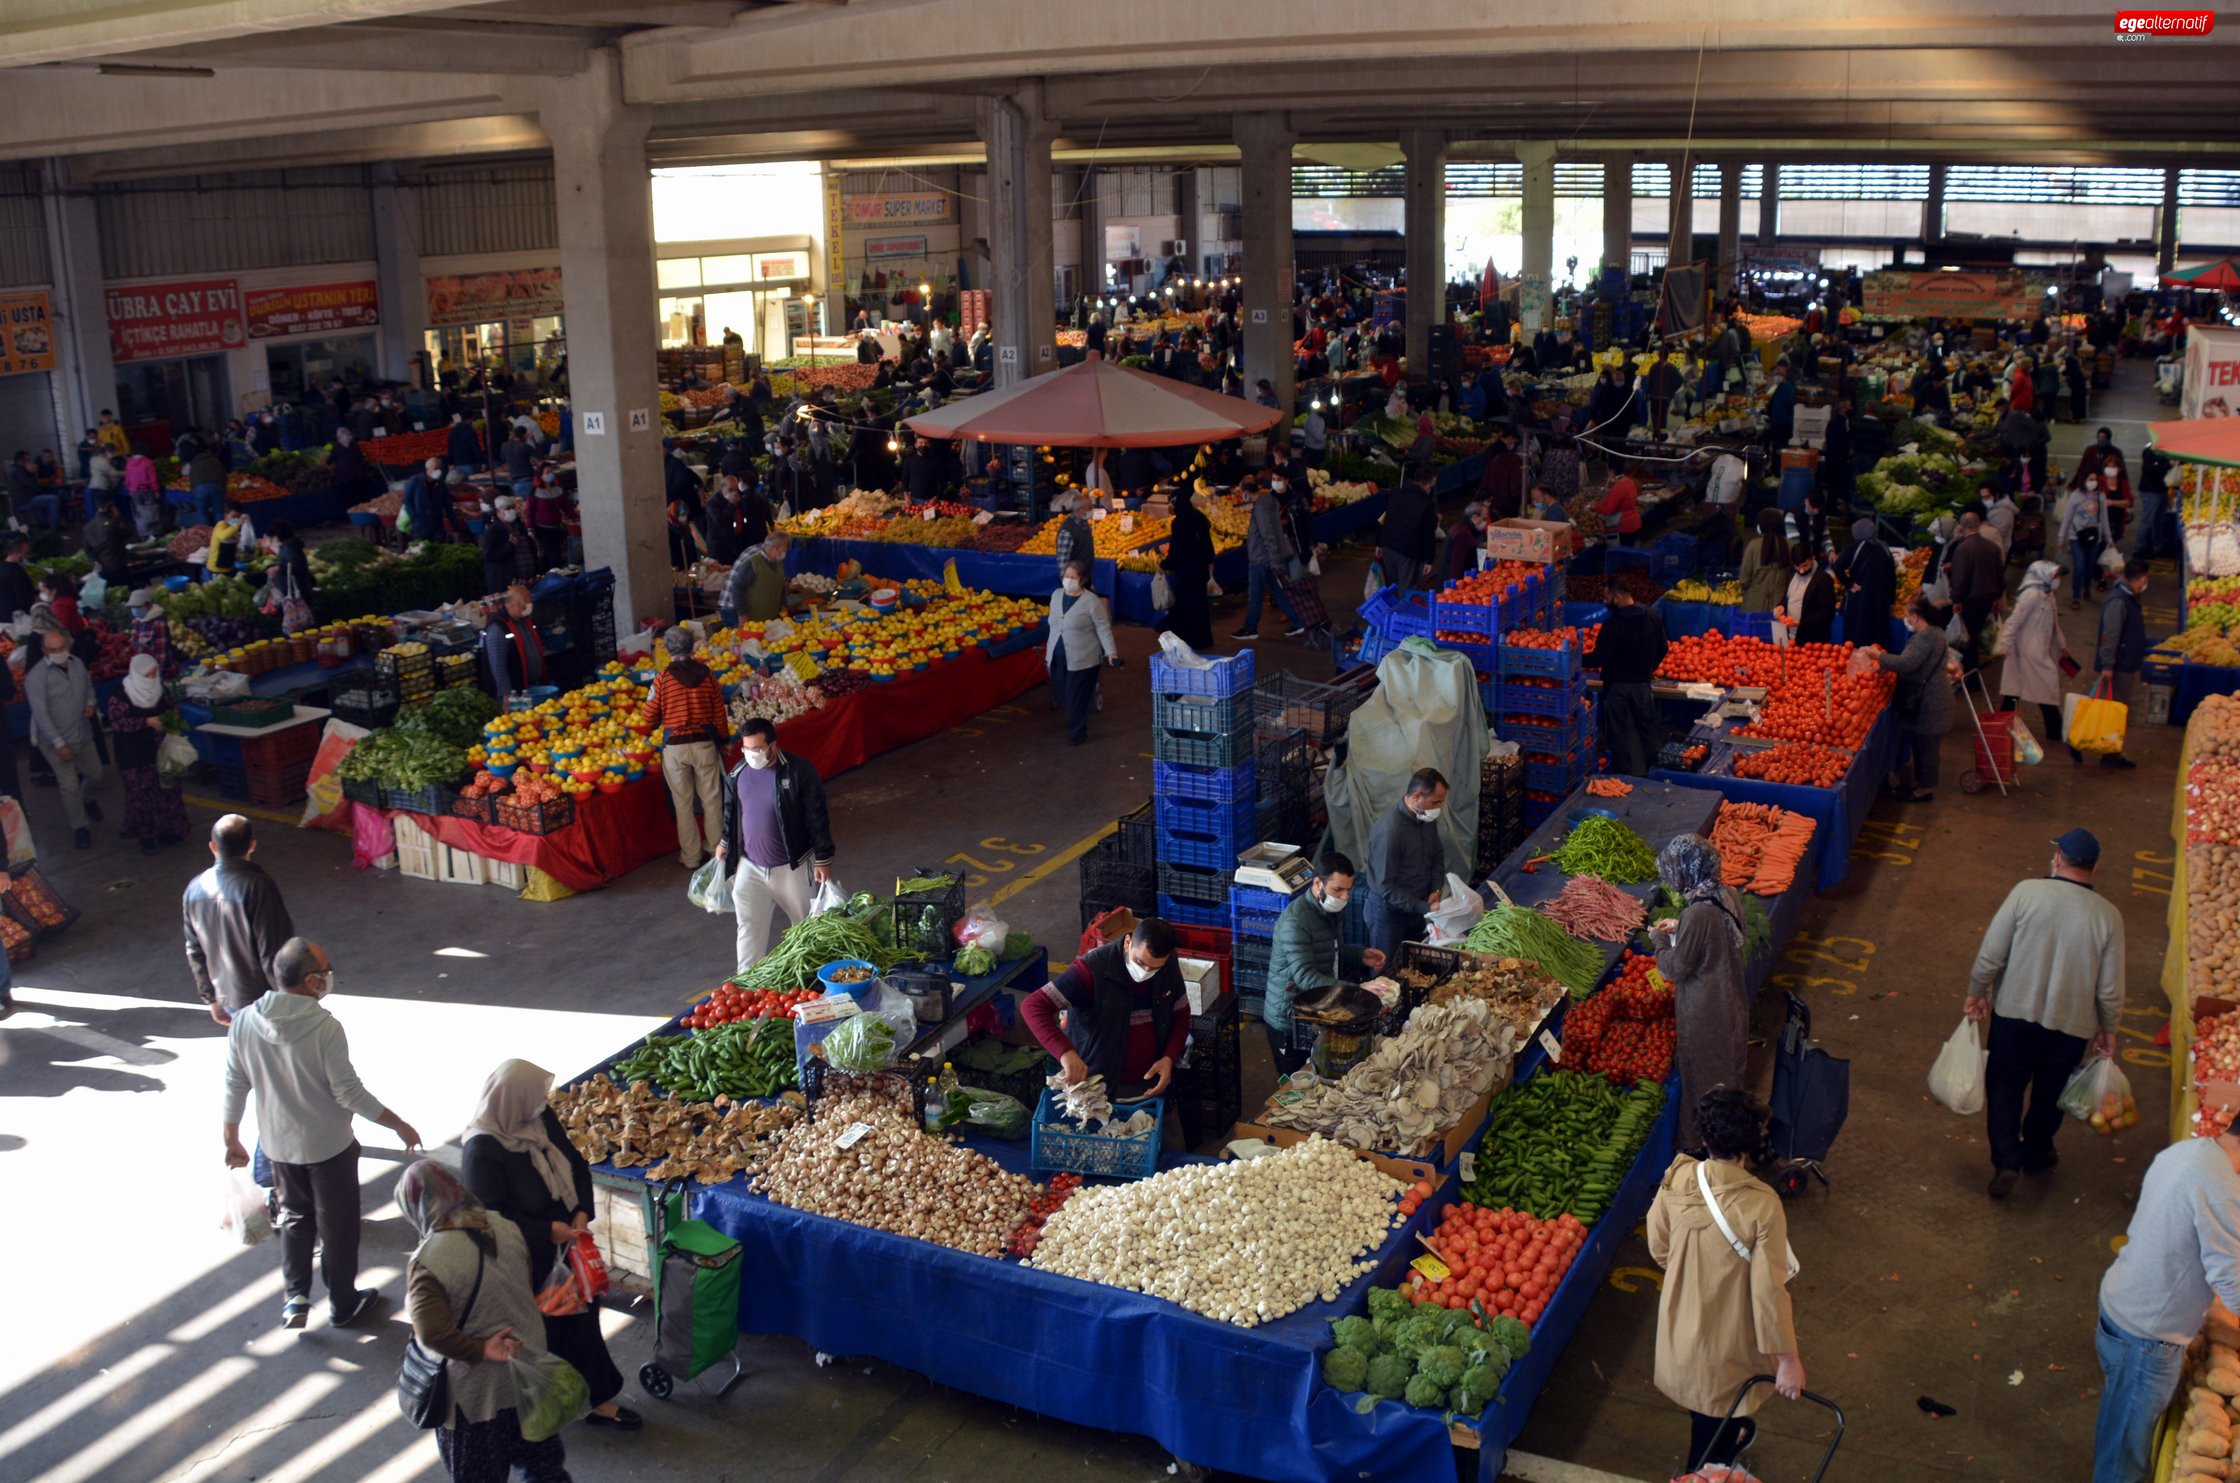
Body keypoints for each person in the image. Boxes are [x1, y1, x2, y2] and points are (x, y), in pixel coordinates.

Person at [223, 936, 424, 1329]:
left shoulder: (245, 1021)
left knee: (296, 1216)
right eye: (326, 971)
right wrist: (398, 1124)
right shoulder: (323, 1027)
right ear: (312, 981)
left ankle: (295, 1296)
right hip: (328, 1148)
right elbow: (347, 1092)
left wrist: (231, 1137)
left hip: (279, 1146)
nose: (330, 977)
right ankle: (343, 1303)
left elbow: (234, 1082)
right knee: (339, 1226)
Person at [459, 1061, 637, 1432]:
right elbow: (489, 1219)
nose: (542, 1103)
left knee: (582, 1322)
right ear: (512, 1100)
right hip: (525, 1260)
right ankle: (546, 1405)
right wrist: (545, 1231)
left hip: (566, 1247)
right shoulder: (482, 1150)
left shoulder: (538, 1119)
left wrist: (580, 1212)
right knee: (541, 1333)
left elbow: (574, 1164)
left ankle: (595, 1399)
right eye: (534, 1097)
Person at [1647, 1088, 1805, 1476]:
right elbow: (1768, 1292)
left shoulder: (1679, 1176)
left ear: (1705, 1138)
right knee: (1708, 1446)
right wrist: (1789, 1361)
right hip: (1728, 1344)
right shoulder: (1762, 1204)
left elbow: (1658, 1246)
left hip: (1681, 1332)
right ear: (1752, 1142)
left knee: (1703, 1410)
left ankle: (1733, 1436)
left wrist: (1692, 1272)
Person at [1966, 828, 2124, 1199]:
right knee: (2051, 1093)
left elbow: (1992, 953)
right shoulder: (2108, 917)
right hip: (2071, 1026)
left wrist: (1977, 991)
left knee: (2004, 1087)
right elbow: (2109, 987)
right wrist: (2109, 1027)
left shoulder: (2027, 892)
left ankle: (2006, 1161)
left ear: (2057, 860)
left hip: (2014, 1016)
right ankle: (2037, 1153)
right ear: (2095, 867)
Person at [398, 1160, 578, 1483]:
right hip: (529, 1370)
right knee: (544, 1470)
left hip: (476, 1397)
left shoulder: (428, 1261)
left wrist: (481, 1349)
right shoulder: (504, 1226)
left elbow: (431, 1333)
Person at [2089, 1132, 2240, 1483]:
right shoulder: (2218, 1186)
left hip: (2124, 1306)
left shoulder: (2188, 1152)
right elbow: (2232, 1283)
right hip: (2146, 1335)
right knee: (2123, 1456)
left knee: (2117, 1425)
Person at [1649, 833, 1750, 1152]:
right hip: (1730, 999)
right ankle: (1729, 1134)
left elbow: (1674, 969)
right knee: (1727, 1068)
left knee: (1703, 1079)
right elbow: (1719, 935)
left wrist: (1660, 941)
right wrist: (1682, 927)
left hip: (1706, 1010)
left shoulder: (1699, 913)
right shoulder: (1725, 894)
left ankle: (1701, 1145)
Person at [716, 716, 836, 974]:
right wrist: (725, 840)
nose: (752, 755)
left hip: (792, 865)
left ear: (773, 745)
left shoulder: (798, 771)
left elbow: (817, 815)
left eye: (758, 749)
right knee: (748, 925)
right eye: (747, 749)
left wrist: (823, 857)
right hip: (751, 866)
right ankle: (746, 981)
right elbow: (730, 811)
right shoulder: (738, 773)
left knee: (806, 925)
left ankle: (813, 978)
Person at [1020, 917, 1189, 1098]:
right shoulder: (1091, 970)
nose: (1146, 972)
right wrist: (1065, 1053)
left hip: (1150, 1082)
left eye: (1155, 968)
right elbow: (1033, 1006)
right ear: (1128, 942)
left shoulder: (1168, 964)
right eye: (1140, 962)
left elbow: (1181, 1014)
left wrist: (1169, 1058)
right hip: (1100, 1085)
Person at [1263, 852, 1385, 1076]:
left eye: (1348, 890)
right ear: (1318, 883)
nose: (1345, 897)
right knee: (1297, 1081)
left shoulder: (1330, 910)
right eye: (1338, 890)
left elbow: (1332, 949)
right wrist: (1356, 990)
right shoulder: (1296, 921)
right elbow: (1306, 976)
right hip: (1290, 1019)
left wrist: (1360, 955)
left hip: (1319, 1007)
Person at [184, 813, 297, 1024]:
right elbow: (273, 951)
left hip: (228, 998)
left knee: (249, 1054)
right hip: (264, 999)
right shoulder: (258, 886)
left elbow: (195, 950)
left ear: (213, 847)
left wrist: (211, 998)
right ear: (252, 845)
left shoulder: (194, 889)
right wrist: (289, 999)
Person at [642, 628, 728, 870]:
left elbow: (648, 715)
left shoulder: (662, 679)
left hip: (675, 749)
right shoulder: (708, 674)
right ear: (693, 648)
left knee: (683, 803)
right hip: (704, 744)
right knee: (712, 800)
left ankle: (690, 857)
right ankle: (716, 851)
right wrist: (725, 739)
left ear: (667, 650)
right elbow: (719, 712)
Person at [1874, 595, 1958, 804]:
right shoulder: (1934, 633)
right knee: (1922, 745)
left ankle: (1925, 789)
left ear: (1916, 616)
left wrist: (1876, 656)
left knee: (1927, 748)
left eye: (1906, 614)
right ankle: (1920, 782)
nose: (1905, 619)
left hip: (1930, 702)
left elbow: (1906, 663)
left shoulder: (1926, 637)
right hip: (1931, 698)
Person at [26, 627, 102, 849]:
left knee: (95, 774)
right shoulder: (36, 678)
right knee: (69, 786)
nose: (58, 652)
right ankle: (80, 827)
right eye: (53, 649)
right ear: (44, 651)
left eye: (61, 648)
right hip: (54, 741)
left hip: (82, 733)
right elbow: (41, 715)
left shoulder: (77, 664)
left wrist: (89, 704)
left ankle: (88, 798)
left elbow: (88, 688)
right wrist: (59, 744)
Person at [2001, 560, 2079, 765]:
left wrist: (2062, 644)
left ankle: (2002, 722)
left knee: (2017, 690)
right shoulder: (2031, 595)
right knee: (2045, 689)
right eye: (2055, 576)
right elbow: (2014, 621)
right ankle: (2055, 730)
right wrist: (2004, 644)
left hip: (2038, 649)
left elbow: (2054, 623)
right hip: (2027, 651)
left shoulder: (2047, 594)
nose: (2057, 581)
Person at [1365, 768, 1448, 962]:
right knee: (1385, 974)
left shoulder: (1426, 818)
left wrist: (1436, 888)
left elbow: (1437, 854)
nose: (1438, 809)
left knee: (1413, 968)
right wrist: (1423, 907)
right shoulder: (1390, 832)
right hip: (1388, 915)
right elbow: (1387, 887)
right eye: (1435, 802)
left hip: (1416, 910)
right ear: (1417, 796)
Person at [1586, 584, 1668, 777]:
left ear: (1618, 597)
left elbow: (1599, 658)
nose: (1604, 602)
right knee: (1648, 728)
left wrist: (1575, 658)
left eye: (1607, 598)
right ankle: (1654, 772)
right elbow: (1663, 647)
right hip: (1641, 684)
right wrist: (1649, 668)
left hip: (1617, 686)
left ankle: (1621, 773)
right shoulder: (1652, 617)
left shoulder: (1612, 625)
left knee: (1617, 731)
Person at [106, 655, 185, 854]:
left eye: (154, 673)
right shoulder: (121, 695)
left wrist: (170, 719)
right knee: (141, 796)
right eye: (147, 675)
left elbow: (173, 709)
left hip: (161, 752)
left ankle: (169, 831)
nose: (151, 678)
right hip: (134, 755)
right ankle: (147, 837)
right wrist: (146, 722)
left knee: (166, 792)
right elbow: (117, 723)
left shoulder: (162, 691)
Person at [1045, 559, 1122, 745]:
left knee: (1075, 696)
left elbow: (1103, 627)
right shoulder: (1056, 595)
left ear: (1082, 580)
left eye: (1073, 577)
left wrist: (1111, 652)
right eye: (1066, 576)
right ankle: (1077, 713)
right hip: (1057, 656)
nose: (1068, 580)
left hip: (1083, 659)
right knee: (1063, 692)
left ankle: (1077, 732)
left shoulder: (1090, 601)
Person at [2094, 557, 2150, 772]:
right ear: (2142, 578)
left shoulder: (2130, 597)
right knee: (2115, 711)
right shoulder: (2119, 601)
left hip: (2125, 664)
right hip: (2117, 667)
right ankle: (2110, 752)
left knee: (2117, 710)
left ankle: (2112, 749)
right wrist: (2108, 665)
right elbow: (2110, 635)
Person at [1235, 476, 1307, 642]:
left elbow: (1267, 535)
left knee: (1255, 594)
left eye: (1241, 492)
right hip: (1268, 556)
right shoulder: (1268, 502)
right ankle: (1297, 622)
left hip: (1261, 558)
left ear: (1246, 492)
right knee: (1278, 590)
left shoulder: (1260, 508)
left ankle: (1250, 628)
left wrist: (1274, 560)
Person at [1945, 512, 2006, 673]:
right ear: (1979, 525)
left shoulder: (1963, 548)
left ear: (1962, 527)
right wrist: (1998, 597)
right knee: (1976, 632)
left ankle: (1970, 673)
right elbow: (1999, 573)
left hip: (1971, 599)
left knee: (1967, 638)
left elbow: (1960, 577)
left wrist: (1956, 600)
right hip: (1988, 596)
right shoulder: (1992, 547)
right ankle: (1971, 671)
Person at [1158, 489, 1215, 651]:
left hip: (1186, 571)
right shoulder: (1199, 518)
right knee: (1200, 605)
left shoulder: (1178, 523)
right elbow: (1207, 543)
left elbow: (1176, 550)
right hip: (1200, 569)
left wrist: (1165, 564)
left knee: (1187, 605)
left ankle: (1190, 638)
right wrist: (1210, 561)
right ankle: (1203, 639)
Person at [1378, 464, 1439, 599]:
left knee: (1392, 586)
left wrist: (1379, 542)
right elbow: (1428, 534)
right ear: (1430, 482)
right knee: (1406, 589)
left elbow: (1383, 519)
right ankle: (1401, 617)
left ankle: (1391, 615)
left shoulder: (1396, 493)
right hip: (1408, 552)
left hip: (1388, 547)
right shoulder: (1426, 504)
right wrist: (1429, 559)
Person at [483, 584, 550, 705]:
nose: (531, 605)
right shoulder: (497, 628)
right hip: (516, 693)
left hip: (532, 687)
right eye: (528, 602)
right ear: (518, 604)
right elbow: (498, 666)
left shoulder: (523, 620)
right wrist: (507, 695)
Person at [1835, 519, 1895, 651]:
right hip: (1881, 602)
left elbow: (1837, 566)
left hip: (1860, 600)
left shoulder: (1855, 547)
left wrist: (1849, 584)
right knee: (1877, 639)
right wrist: (1891, 601)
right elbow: (1892, 577)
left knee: (1857, 637)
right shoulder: (1884, 547)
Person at [2061, 473, 2116, 610]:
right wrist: (2061, 536)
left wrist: (2109, 538)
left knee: (2090, 566)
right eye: (2090, 479)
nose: (2093, 482)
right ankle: (2076, 596)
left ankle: (2086, 588)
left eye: (2095, 480)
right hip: (2076, 536)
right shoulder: (2075, 496)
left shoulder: (2100, 496)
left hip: (2094, 538)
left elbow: (2104, 518)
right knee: (2079, 566)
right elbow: (2067, 517)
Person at [719, 530, 789, 626]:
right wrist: (742, 614)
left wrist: (783, 605)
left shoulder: (777, 561)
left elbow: (781, 585)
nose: (786, 551)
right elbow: (737, 588)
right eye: (785, 548)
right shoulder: (753, 561)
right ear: (777, 548)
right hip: (733, 608)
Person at [1776, 539, 1836, 647]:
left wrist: (1801, 622)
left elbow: (1828, 613)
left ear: (1812, 559)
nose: (1801, 571)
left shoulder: (1823, 579)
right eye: (1797, 567)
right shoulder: (1793, 575)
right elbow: (1788, 596)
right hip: (1791, 636)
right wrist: (1781, 605)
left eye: (1805, 565)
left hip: (1812, 641)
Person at [480, 495, 538, 595]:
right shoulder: (492, 532)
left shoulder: (519, 527)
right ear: (498, 511)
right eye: (507, 508)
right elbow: (490, 556)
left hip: (528, 581)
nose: (511, 511)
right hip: (507, 584)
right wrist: (510, 546)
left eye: (512, 507)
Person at [402, 458, 457, 545]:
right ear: (428, 469)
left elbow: (448, 505)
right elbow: (407, 499)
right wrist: (414, 515)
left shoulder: (441, 485)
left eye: (439, 469)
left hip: (437, 524)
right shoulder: (415, 481)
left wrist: (455, 525)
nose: (438, 471)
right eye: (435, 468)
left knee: (438, 549)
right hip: (420, 525)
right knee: (420, 550)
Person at [1444, 500, 1491, 586]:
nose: (1486, 522)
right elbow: (1456, 568)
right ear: (1475, 518)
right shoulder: (1463, 536)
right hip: (1454, 585)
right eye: (1484, 519)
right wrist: (1455, 588)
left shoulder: (1462, 527)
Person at [1598, 463, 1643, 546]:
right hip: (1635, 523)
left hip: (1625, 527)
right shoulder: (1630, 482)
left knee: (1623, 554)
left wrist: (1595, 506)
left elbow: (1608, 510)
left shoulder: (1618, 488)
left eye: (1608, 471)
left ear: (1611, 472)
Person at [187, 443, 227, 528]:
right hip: (216, 486)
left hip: (200, 488)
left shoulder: (194, 464)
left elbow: (191, 479)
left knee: (202, 513)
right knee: (219, 512)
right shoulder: (216, 461)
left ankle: (205, 534)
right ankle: (221, 533)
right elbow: (223, 475)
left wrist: (193, 490)